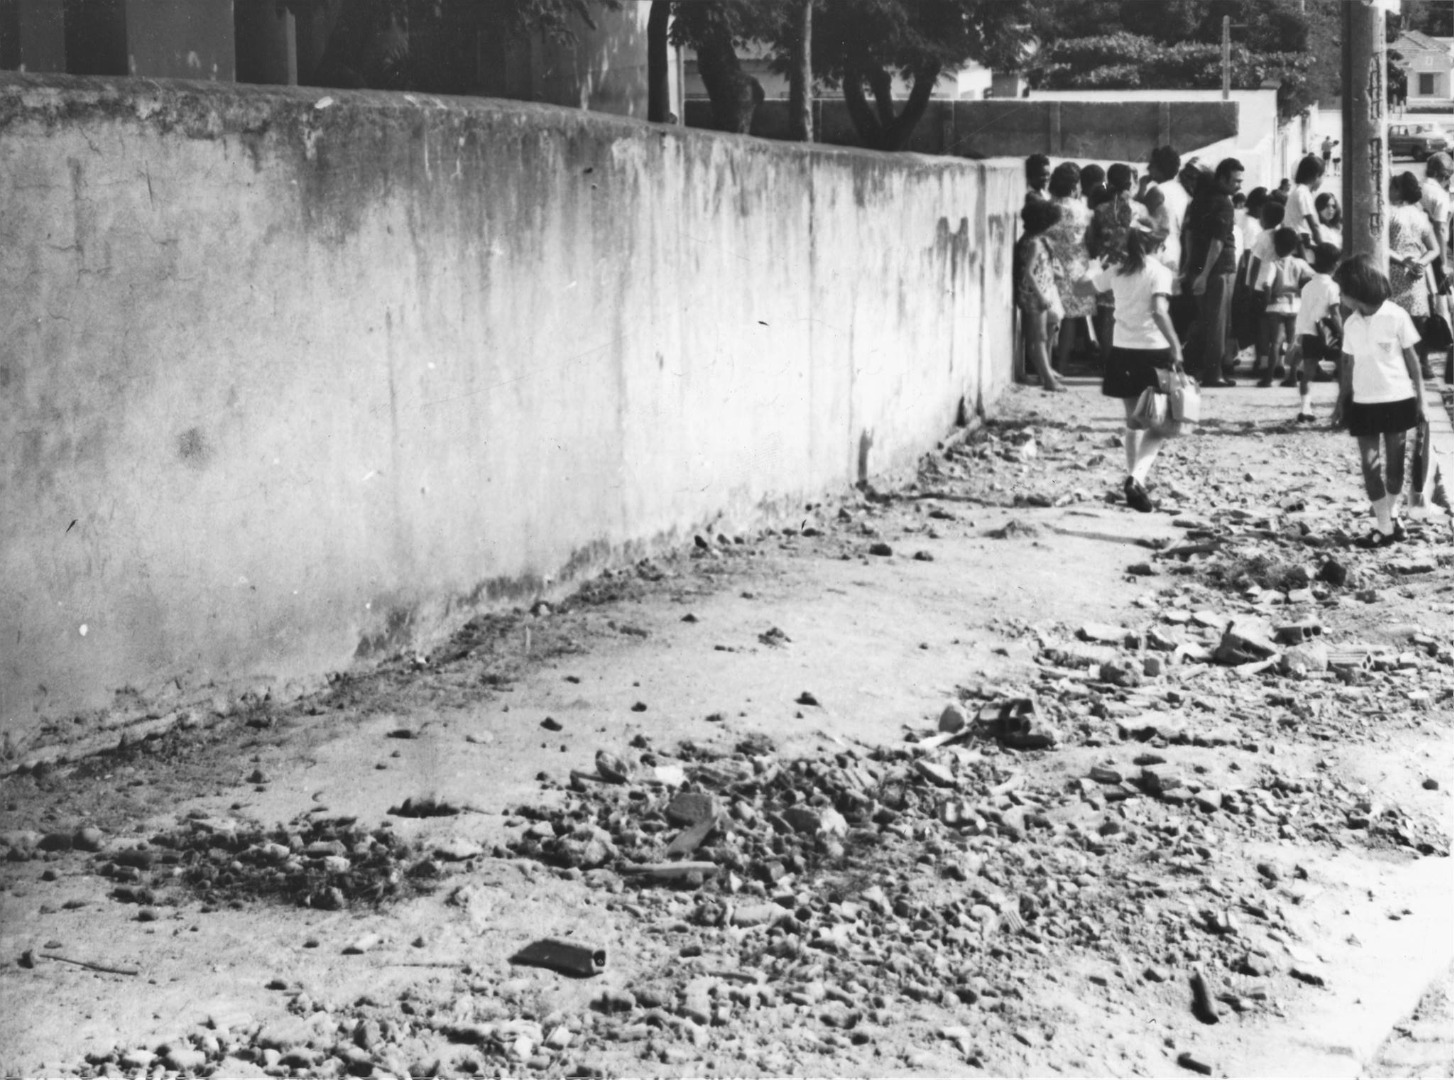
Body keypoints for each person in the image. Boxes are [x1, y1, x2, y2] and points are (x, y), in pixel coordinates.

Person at [1333, 254, 1425, 547]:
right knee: (1369, 465)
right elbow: (1348, 366)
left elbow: (1414, 363)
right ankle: (1384, 528)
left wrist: (1421, 400)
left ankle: (1393, 513)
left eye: (1342, 290)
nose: (1340, 296)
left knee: (1395, 467)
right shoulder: (1350, 324)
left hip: (1398, 399)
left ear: (1356, 289)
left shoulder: (1396, 316)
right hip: (1363, 402)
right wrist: (1341, 401)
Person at [1091, 221, 1184, 513]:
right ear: (1155, 245)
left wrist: (1093, 265)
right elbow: (1159, 311)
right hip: (1153, 351)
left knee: (1133, 418)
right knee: (1161, 424)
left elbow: (1083, 287)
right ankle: (1136, 478)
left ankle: (1135, 481)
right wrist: (1177, 345)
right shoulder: (1159, 272)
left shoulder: (1117, 270)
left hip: (1122, 350)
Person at [1186, 157, 1245, 387]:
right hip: (1218, 269)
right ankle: (1213, 374)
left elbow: (1190, 235)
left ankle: (1196, 366)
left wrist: (1193, 268)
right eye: (1235, 181)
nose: (1239, 185)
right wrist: (1204, 273)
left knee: (1205, 321)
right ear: (1222, 178)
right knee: (1218, 324)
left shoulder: (1198, 200)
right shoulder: (1224, 204)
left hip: (1199, 267)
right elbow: (1218, 242)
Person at [1044, 162, 1097, 371]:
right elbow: (1089, 238)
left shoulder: (1049, 207)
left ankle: (1048, 363)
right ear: (1075, 185)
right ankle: (1063, 364)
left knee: (1051, 318)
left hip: (1052, 265)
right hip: (1076, 266)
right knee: (1071, 319)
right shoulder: (1080, 209)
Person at [1388, 170, 1439, 381]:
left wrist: (1403, 261)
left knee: (1395, 324)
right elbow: (1434, 249)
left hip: (1395, 271)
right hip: (1418, 276)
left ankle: (1400, 366)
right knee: (1418, 323)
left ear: (1398, 191)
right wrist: (1421, 262)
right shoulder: (1421, 216)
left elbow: (1382, 247)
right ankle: (1420, 364)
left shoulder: (1390, 214)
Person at [1087, 163, 1139, 361]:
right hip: (1134, 266)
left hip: (1107, 265)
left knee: (1107, 315)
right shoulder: (1138, 209)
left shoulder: (1100, 210)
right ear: (1130, 183)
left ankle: (1109, 361)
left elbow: (1092, 241)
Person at [1015, 198, 1067, 392]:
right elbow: (1029, 273)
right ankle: (1048, 379)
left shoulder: (1030, 240)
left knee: (1037, 337)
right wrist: (1042, 296)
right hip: (1035, 295)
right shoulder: (1035, 243)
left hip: (1035, 294)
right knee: (1039, 338)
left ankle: (1045, 375)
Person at [1255, 226, 1313, 388]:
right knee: (1293, 341)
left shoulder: (1273, 264)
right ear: (1294, 246)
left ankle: (1268, 377)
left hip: (1276, 306)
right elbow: (1311, 277)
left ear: (1275, 245)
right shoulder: (1300, 263)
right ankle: (1293, 376)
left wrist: (1266, 302)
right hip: (1295, 305)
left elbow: (1267, 285)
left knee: (1276, 342)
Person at [1292, 242, 1343, 422]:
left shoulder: (1307, 286)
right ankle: (1341, 409)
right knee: (1343, 370)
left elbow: (1304, 311)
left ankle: (1305, 409)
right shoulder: (1332, 287)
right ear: (1335, 265)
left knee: (1308, 374)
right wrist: (1342, 332)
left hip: (1309, 333)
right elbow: (1334, 313)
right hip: (1328, 334)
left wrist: (1298, 336)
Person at [1243, 200, 1285, 380]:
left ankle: (1262, 362)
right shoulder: (1278, 236)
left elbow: (1256, 264)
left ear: (1264, 218)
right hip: (1272, 285)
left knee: (1260, 328)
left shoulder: (1263, 237)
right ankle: (1276, 363)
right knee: (1273, 330)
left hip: (1259, 287)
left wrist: (1249, 286)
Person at [1284, 154, 1326, 251]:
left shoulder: (1299, 191)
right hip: (1300, 245)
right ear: (1316, 176)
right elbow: (1314, 226)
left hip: (1298, 242)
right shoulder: (1303, 193)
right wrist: (1323, 248)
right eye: (1323, 176)